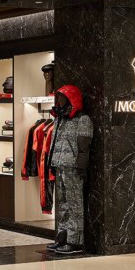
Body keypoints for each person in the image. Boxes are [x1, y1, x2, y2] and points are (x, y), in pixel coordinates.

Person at [46, 85, 93, 255]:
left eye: (62, 98)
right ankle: (62, 237)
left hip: (73, 168)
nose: (59, 101)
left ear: (72, 99)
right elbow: (53, 144)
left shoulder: (82, 120)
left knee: (74, 204)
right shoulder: (59, 119)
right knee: (62, 204)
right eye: (58, 98)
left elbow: (84, 148)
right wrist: (51, 163)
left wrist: (81, 167)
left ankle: (75, 241)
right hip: (59, 166)